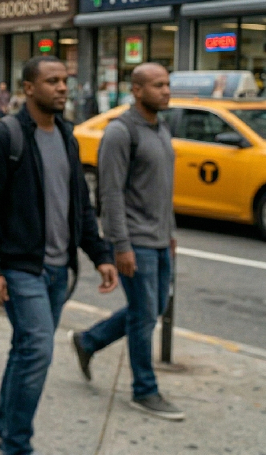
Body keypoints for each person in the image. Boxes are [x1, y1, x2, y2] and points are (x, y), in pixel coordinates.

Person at [0, 56, 118, 455]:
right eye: (52, 80)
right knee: (37, 348)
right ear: (29, 88)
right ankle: (15, 444)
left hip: (57, 270)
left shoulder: (67, 137)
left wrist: (100, 254)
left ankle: (4, 435)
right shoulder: (5, 137)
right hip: (20, 268)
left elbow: (81, 206)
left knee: (28, 350)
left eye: (65, 80)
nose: (62, 87)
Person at [69, 63, 183, 421]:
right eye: (158, 85)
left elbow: (162, 190)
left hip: (161, 239)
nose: (166, 91)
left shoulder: (161, 128)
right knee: (145, 315)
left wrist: (171, 232)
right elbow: (111, 194)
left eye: (167, 84)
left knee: (151, 309)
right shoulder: (121, 132)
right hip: (136, 241)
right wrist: (120, 245)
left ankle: (89, 341)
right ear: (136, 90)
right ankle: (144, 390)